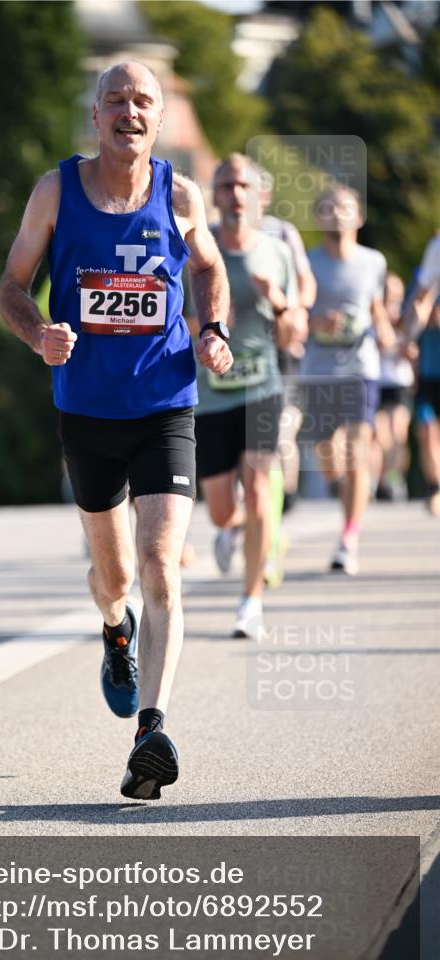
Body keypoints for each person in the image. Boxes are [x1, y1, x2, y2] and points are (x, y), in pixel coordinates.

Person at [0, 62, 232, 799]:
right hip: (86, 409)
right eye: (115, 100)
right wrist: (38, 334)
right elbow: (10, 285)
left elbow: (209, 268)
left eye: (142, 102)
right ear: (94, 116)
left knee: (161, 563)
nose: (128, 111)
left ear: (158, 118)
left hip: (165, 402)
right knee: (116, 579)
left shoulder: (181, 193)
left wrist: (213, 328)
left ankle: (150, 732)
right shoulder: (56, 190)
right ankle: (114, 630)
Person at [194, 154, 298, 638]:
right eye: (226, 185)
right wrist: (212, 328)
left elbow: (293, 334)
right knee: (219, 509)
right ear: (213, 197)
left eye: (243, 185)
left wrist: (277, 301)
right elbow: (180, 324)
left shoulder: (276, 252)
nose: (235, 194)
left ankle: (251, 601)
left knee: (259, 491)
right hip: (211, 397)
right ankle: (235, 529)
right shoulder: (197, 251)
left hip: (262, 390)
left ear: (259, 196)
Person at [299, 185, 395, 575]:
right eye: (328, 208)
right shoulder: (307, 262)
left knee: (357, 451)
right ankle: (341, 486)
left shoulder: (374, 261)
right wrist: (314, 321)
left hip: (361, 368)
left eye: (345, 208)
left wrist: (388, 332)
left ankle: (348, 538)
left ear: (359, 217)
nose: (336, 213)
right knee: (327, 454)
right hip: (317, 370)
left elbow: (376, 308)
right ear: (319, 216)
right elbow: (293, 312)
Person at [255, 166, 316, 585]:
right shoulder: (215, 230)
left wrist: (295, 312)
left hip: (281, 351)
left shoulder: (281, 233)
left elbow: (306, 283)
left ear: (266, 196)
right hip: (238, 355)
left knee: (278, 441)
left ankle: (274, 532)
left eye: (251, 190)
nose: (240, 198)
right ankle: (249, 524)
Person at [402, 232, 440, 516]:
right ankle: (435, 486)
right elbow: (413, 314)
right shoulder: (426, 279)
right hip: (428, 371)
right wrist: (410, 337)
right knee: (427, 431)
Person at [372, 273, 414, 501]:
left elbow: (413, 348)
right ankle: (381, 479)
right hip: (378, 381)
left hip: (400, 382)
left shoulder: (406, 317)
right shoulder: (374, 317)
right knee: (381, 436)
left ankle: (395, 477)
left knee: (398, 432)